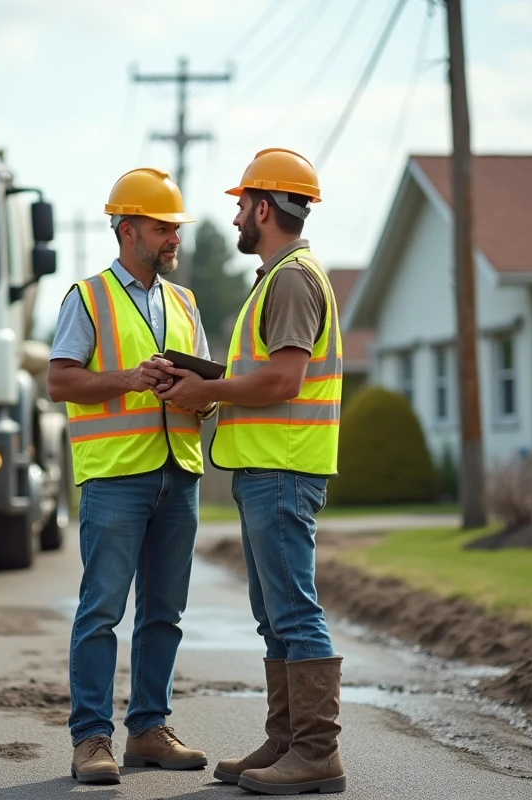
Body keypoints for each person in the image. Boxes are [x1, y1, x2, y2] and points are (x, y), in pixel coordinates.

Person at [154, 148, 347, 795]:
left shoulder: (292, 278)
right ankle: (288, 740)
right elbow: (266, 374)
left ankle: (317, 752)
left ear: (264, 208)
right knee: (274, 615)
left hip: (283, 469)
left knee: (294, 612)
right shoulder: (278, 278)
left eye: (241, 204)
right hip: (269, 470)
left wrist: (209, 392)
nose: (236, 214)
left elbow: (284, 378)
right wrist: (209, 385)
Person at [47, 167, 216, 785]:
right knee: (101, 611)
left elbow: (206, 394)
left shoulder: (185, 302)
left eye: (175, 227)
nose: (174, 237)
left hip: (180, 474)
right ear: (127, 230)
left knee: (164, 613)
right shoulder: (86, 298)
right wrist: (129, 379)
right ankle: (91, 739)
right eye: (162, 226)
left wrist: (200, 395)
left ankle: (148, 729)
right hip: (116, 478)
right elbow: (59, 380)